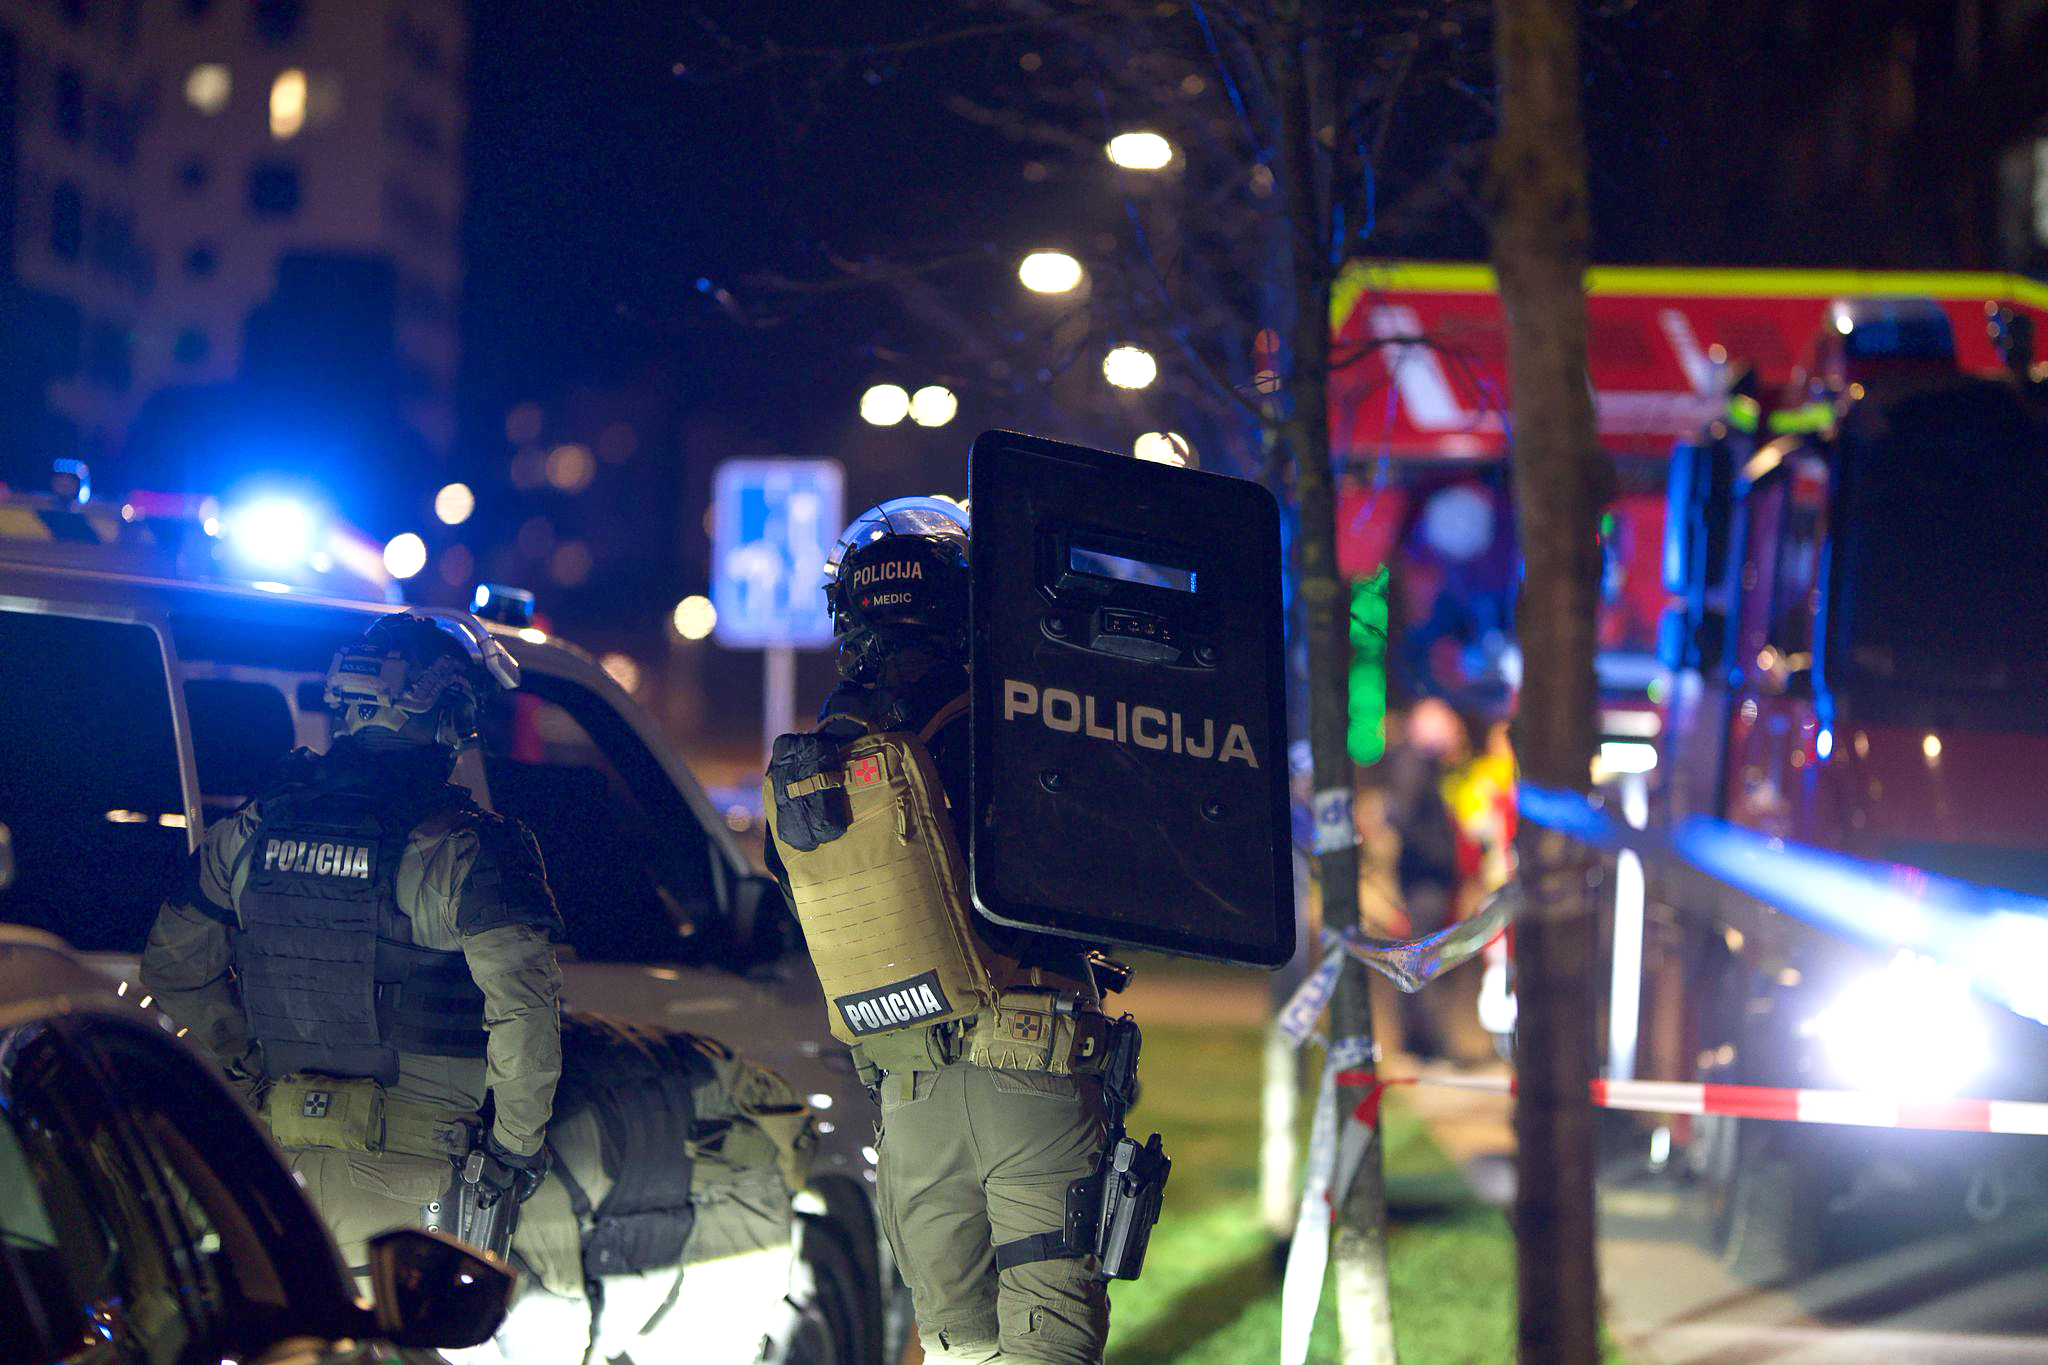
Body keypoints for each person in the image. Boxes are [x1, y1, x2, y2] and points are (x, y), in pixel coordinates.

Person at [762, 499, 1116, 1365]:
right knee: (1047, 1346)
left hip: (909, 1093)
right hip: (1031, 1063)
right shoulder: (1016, 722)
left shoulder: (825, 763)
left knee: (957, 1349)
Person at [142, 612, 564, 1271]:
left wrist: (242, 1077)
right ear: (438, 711)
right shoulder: (467, 848)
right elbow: (525, 1012)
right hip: (409, 1186)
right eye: (464, 713)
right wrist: (514, 1149)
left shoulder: (252, 828)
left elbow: (174, 971)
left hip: (270, 1172)